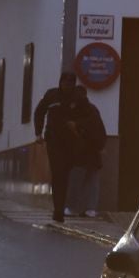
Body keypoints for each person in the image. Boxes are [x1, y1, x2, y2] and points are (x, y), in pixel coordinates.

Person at [40, 82, 84, 224]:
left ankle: (59, 209)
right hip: (58, 143)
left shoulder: (79, 100)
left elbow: (89, 120)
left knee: (61, 176)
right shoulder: (53, 97)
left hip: (68, 145)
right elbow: (39, 112)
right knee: (60, 176)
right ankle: (59, 209)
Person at [66, 83, 107, 220]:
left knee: (76, 181)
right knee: (92, 182)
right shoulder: (93, 110)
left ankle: (73, 208)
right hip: (94, 153)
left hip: (80, 154)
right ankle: (90, 209)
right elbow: (100, 131)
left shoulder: (75, 111)